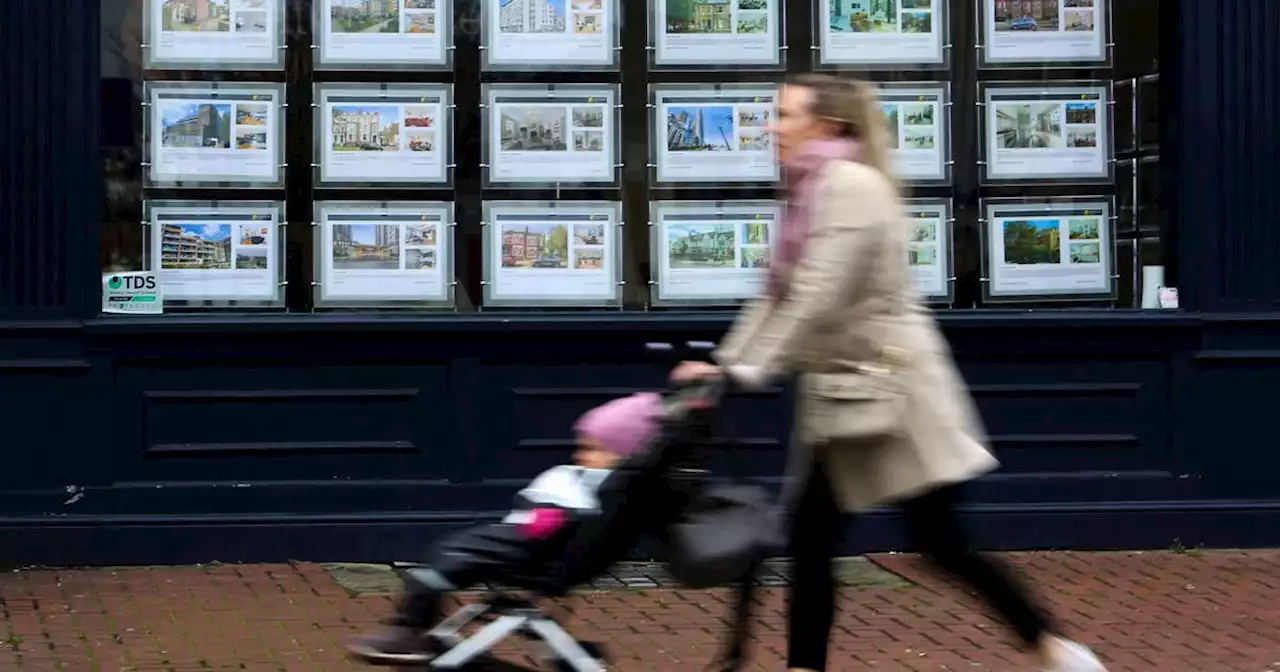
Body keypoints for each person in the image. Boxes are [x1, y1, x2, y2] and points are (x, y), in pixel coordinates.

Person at [669, 74, 1108, 672]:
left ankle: (1055, 649)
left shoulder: (850, 186)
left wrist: (747, 370)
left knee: (939, 542)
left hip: (893, 398)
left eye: (785, 115)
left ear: (828, 125)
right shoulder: (808, 188)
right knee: (813, 541)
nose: (771, 127)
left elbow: (820, 293)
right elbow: (775, 297)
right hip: (845, 396)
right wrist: (725, 362)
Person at [346, 392, 663, 665]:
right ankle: (562, 648)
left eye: (594, 449)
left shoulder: (605, 493)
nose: (581, 455)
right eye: (581, 446)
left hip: (528, 549)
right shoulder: (599, 486)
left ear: (626, 455)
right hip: (535, 547)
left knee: (437, 566)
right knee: (450, 557)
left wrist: (535, 526)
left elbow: (545, 528)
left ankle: (409, 629)